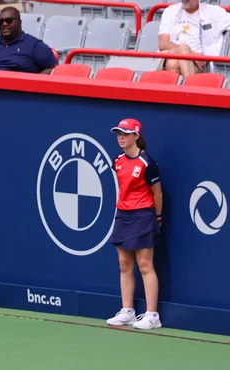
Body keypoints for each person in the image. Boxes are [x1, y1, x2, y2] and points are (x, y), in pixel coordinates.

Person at [106, 119, 163, 330]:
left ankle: (152, 315)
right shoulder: (117, 161)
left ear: (136, 136)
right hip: (123, 215)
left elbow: (157, 194)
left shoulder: (147, 163)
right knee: (124, 264)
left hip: (143, 215)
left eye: (125, 133)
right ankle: (127, 311)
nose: (121, 137)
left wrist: (157, 218)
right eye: (119, 133)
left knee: (145, 265)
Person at [0, 7, 57, 74]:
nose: (4, 24)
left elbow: (55, 69)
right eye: (0, 22)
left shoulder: (34, 45)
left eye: (9, 20)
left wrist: (35, 81)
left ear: (20, 23)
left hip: (18, 94)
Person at [158, 0, 230, 78]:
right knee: (182, 50)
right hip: (171, 57)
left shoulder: (214, 12)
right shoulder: (170, 11)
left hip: (199, 64)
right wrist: (190, 53)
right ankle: (191, 87)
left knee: (173, 63)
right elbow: (163, 44)